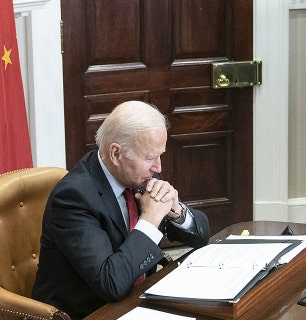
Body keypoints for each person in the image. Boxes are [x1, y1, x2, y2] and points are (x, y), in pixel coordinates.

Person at [32, 101, 211, 319]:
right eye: (149, 157)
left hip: (138, 300)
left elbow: (201, 237)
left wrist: (176, 211)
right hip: (91, 312)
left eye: (160, 155)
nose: (158, 167)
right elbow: (111, 283)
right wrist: (151, 219)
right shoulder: (73, 197)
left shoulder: (142, 175)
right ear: (116, 153)